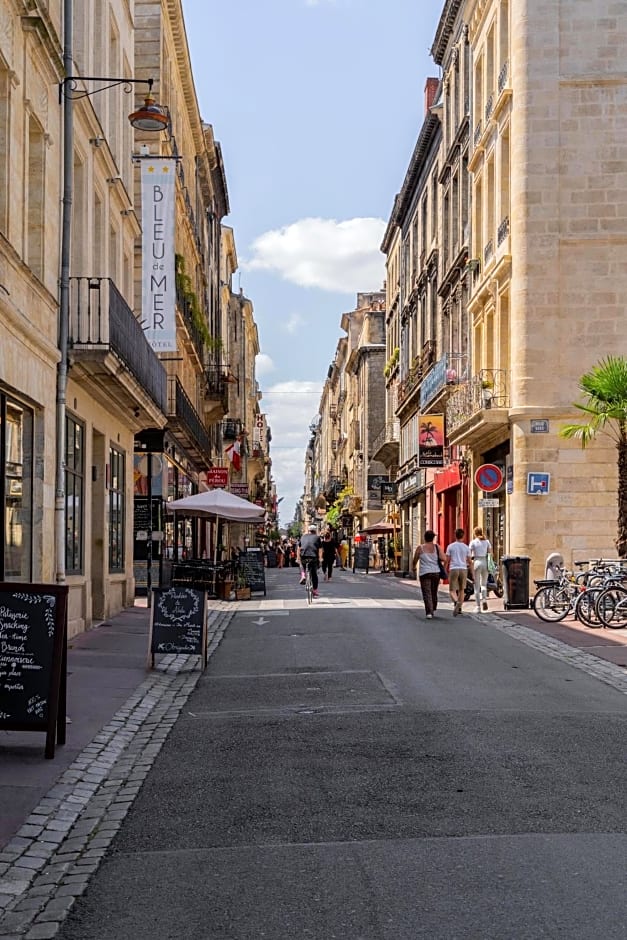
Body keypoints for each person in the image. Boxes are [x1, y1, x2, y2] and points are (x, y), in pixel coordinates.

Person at [412, 530, 447, 619]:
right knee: (434, 591)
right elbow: (444, 558)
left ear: (425, 538)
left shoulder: (420, 548)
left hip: (424, 573)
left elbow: (415, 559)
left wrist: (414, 567)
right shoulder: (436, 547)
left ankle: (429, 612)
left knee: (427, 592)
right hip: (436, 572)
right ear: (433, 538)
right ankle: (433, 607)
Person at [445, 527, 472, 616]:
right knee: (461, 590)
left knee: (452, 590)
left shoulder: (451, 546)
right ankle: (459, 608)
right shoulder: (466, 547)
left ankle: (456, 603)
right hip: (463, 569)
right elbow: (469, 561)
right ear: (463, 536)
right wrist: (472, 573)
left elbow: (447, 560)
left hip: (454, 568)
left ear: (455, 536)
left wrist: (444, 569)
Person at [469, 525, 492, 612]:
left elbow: (469, 553)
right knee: (484, 584)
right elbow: (490, 553)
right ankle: (484, 600)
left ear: (474, 533)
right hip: (485, 562)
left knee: (476, 586)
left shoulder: (473, 542)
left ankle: (478, 607)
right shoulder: (486, 542)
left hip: (476, 561)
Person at [297, 524, 323, 597]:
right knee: (314, 574)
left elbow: (299, 548)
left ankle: (303, 575)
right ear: (315, 531)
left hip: (304, 556)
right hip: (313, 557)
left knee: (302, 565)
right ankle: (315, 590)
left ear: (308, 530)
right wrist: (320, 558)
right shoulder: (317, 538)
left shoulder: (303, 537)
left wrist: (298, 558)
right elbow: (320, 550)